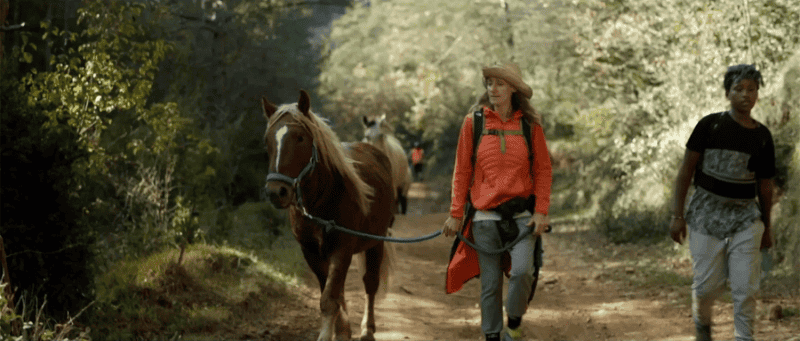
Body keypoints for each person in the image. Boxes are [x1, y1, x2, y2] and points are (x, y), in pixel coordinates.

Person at [443, 62, 552, 341]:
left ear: (513, 88)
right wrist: (456, 213)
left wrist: (541, 212)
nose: (493, 88)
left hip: (522, 217)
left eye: (500, 83)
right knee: (490, 286)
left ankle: (514, 321)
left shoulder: (530, 125)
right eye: (489, 83)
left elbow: (542, 169)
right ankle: (492, 335)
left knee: (522, 273)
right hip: (484, 217)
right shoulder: (474, 122)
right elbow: (462, 170)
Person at [670, 64, 775, 341]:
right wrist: (677, 216)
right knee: (706, 287)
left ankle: (744, 337)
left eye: (751, 89)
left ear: (757, 94)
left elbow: (765, 187)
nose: (745, 95)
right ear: (727, 93)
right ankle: (703, 330)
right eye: (738, 89)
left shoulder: (762, 137)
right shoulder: (710, 126)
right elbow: (685, 172)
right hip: (706, 214)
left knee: (746, 289)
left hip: (745, 218)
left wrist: (768, 227)